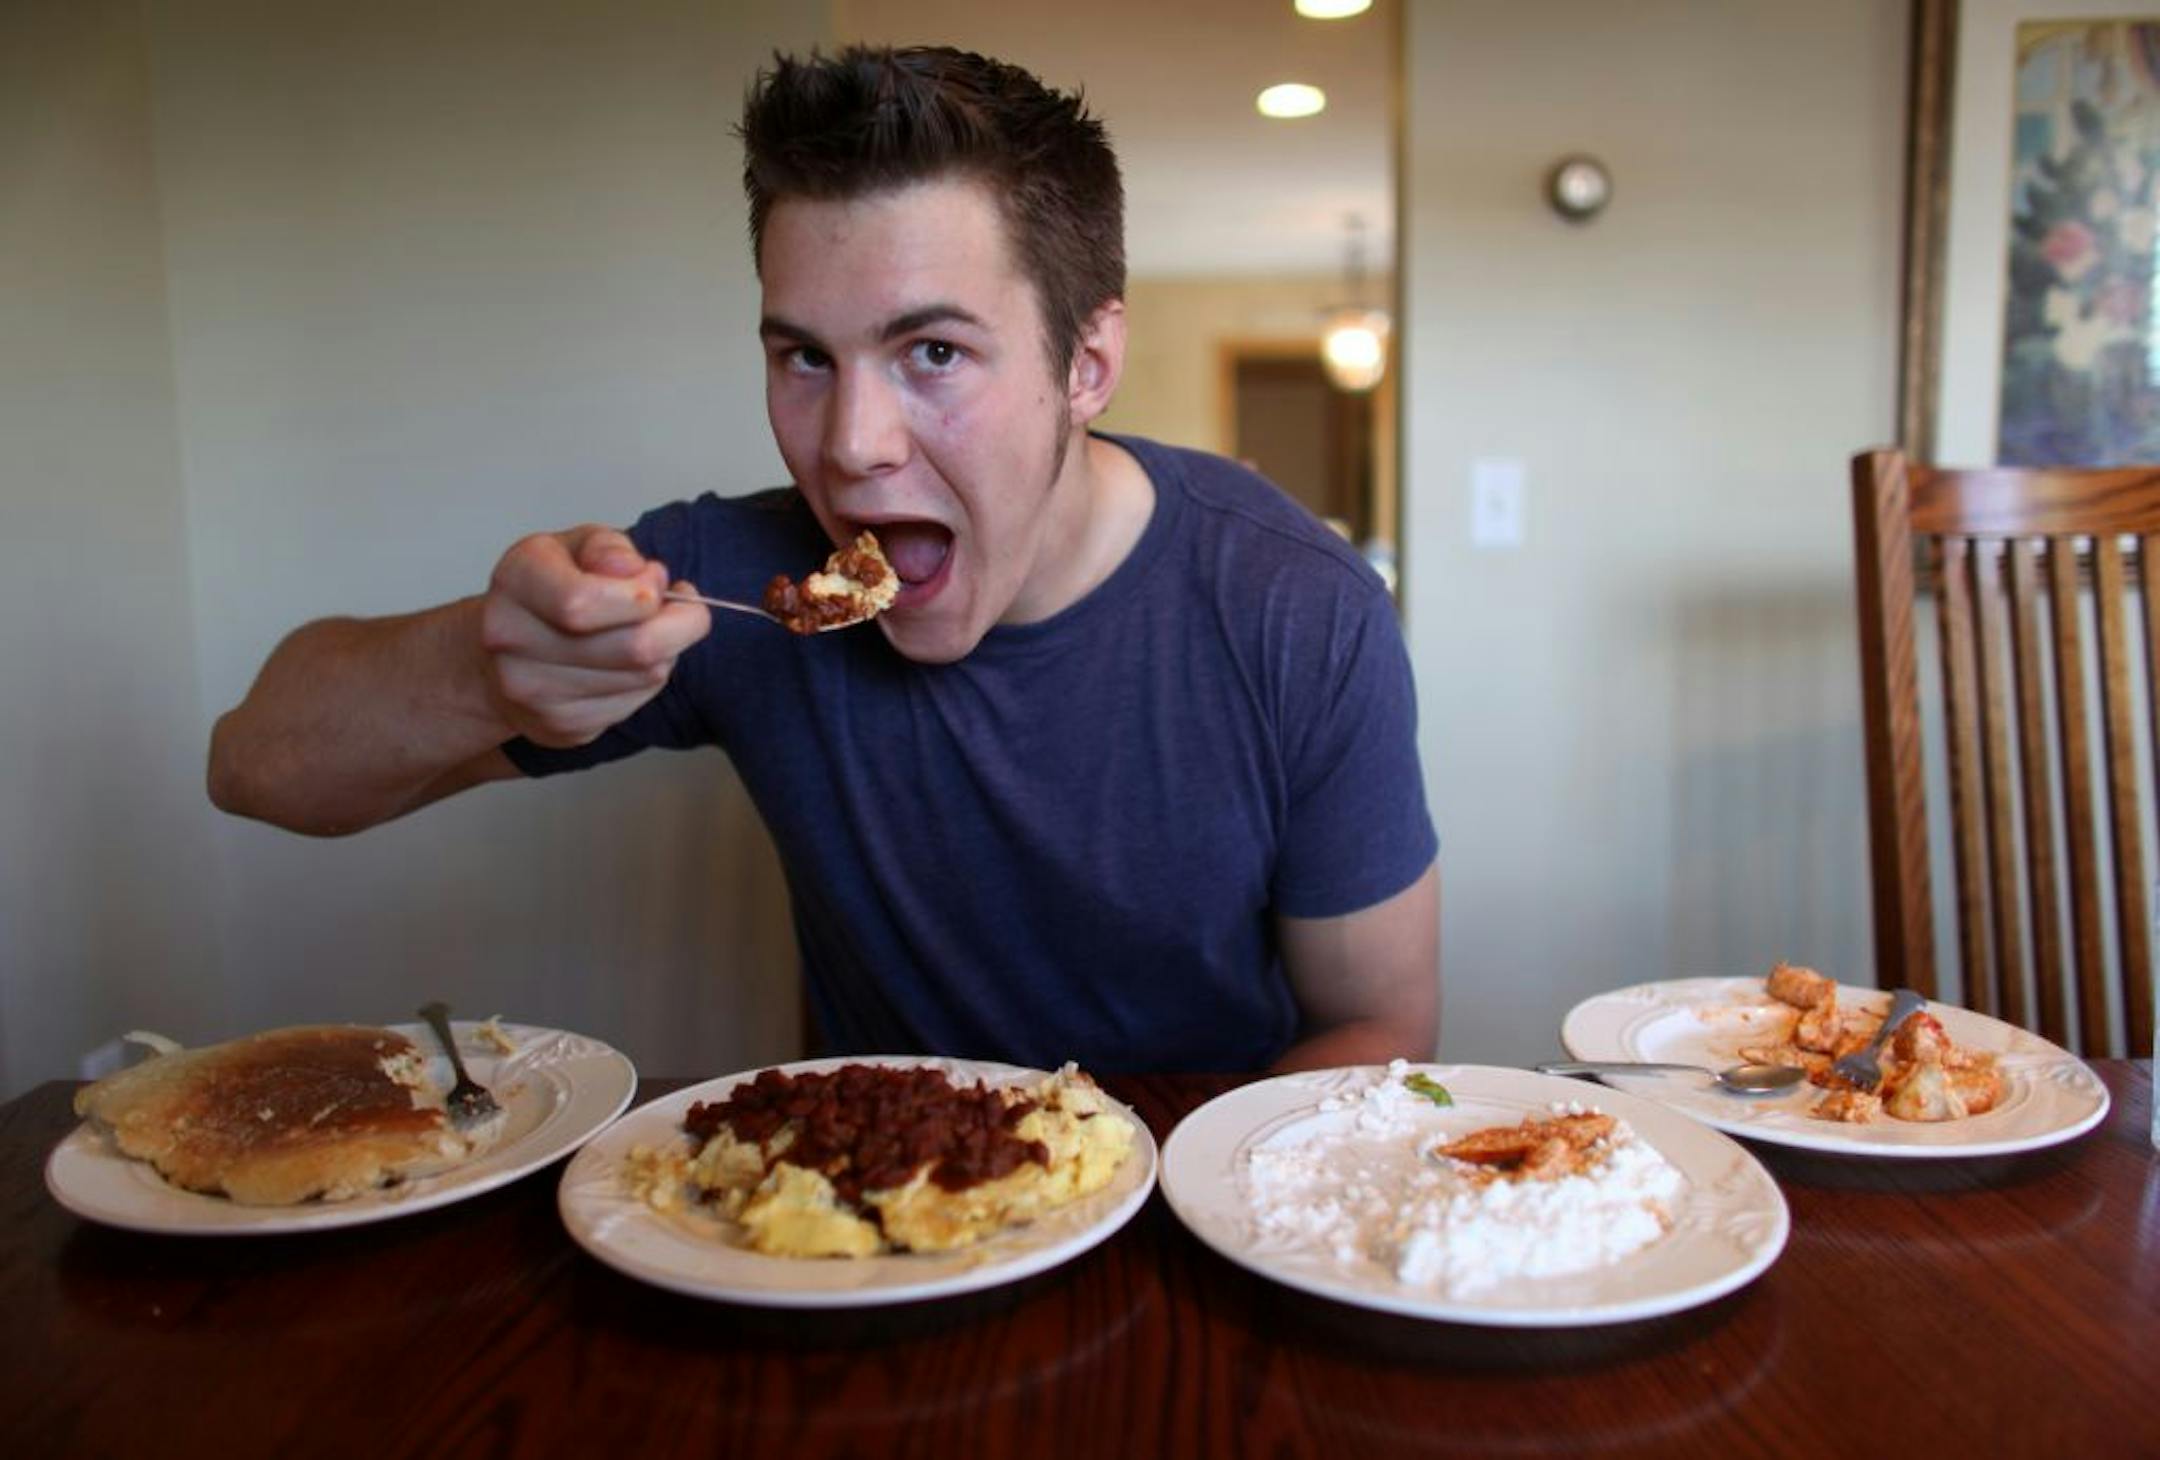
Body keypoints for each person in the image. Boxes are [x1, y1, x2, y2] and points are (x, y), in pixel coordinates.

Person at [208, 45, 1439, 1075]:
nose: (850, 448)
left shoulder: (1296, 608)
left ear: (1088, 363)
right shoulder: (725, 585)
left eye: (934, 354)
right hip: (876, 1239)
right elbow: (256, 762)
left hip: (1192, 1234)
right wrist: (489, 667)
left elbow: (1377, 1024)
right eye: (804, 357)